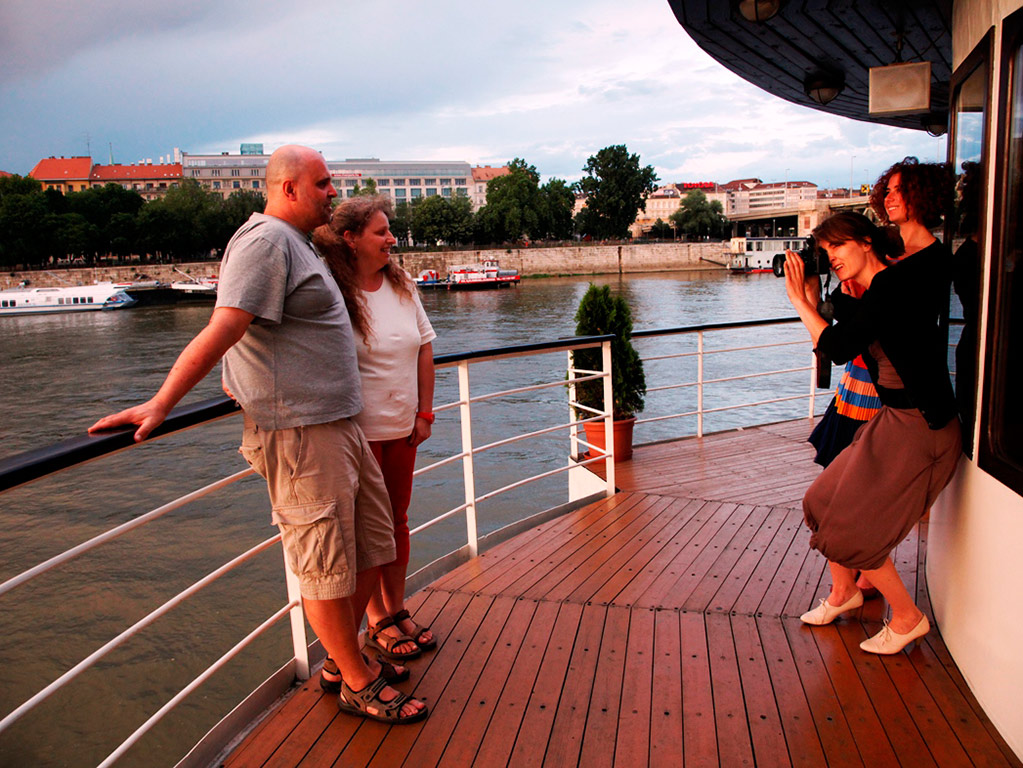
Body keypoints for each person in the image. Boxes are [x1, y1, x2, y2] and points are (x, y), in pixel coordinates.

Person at [88, 145, 427, 723]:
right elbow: (227, 324)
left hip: (339, 424)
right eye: (322, 183)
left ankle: (340, 658)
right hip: (300, 433)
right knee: (325, 564)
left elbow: (261, 331)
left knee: (375, 544)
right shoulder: (265, 241)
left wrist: (237, 371)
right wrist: (162, 402)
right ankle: (356, 680)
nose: (333, 192)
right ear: (288, 188)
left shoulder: (300, 243)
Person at [783, 212, 960, 654]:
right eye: (826, 252)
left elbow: (839, 347)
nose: (832, 257)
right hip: (895, 420)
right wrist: (817, 298)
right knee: (820, 501)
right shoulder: (875, 293)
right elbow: (852, 325)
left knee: (852, 533)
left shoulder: (894, 286)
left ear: (866, 242)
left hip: (923, 429)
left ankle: (907, 618)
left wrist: (800, 302)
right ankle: (845, 592)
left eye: (837, 247)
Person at [313, 195, 437, 662]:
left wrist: (425, 413)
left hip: (403, 426)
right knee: (367, 532)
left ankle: (395, 608)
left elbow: (424, 348)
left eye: (389, 230)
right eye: (381, 232)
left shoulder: (401, 285)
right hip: (357, 434)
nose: (391, 239)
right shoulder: (333, 292)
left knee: (397, 522)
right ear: (351, 239)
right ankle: (375, 619)